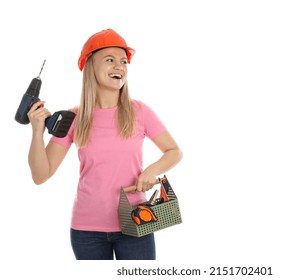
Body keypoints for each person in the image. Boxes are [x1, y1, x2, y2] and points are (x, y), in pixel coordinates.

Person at [27, 28, 183, 260]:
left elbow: (174, 152)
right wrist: (37, 132)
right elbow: (41, 175)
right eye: (109, 60)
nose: (119, 66)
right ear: (90, 66)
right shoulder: (73, 118)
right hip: (86, 230)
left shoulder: (139, 112)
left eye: (123, 61)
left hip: (136, 222)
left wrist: (152, 170)